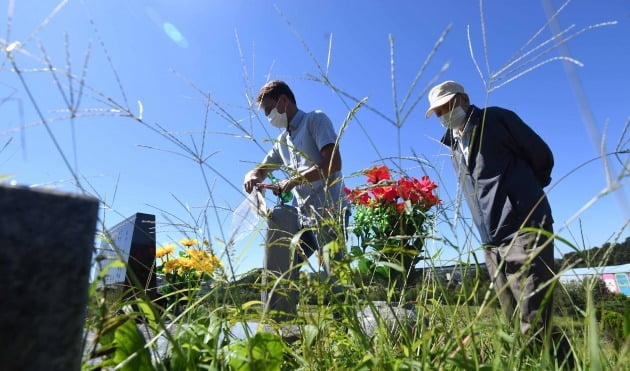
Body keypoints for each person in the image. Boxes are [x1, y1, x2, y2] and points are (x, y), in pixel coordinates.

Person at [425, 81, 558, 345]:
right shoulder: (453, 147)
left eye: (446, 106)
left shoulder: (495, 119)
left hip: (524, 228)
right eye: (438, 112)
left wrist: (522, 197)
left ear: (463, 99)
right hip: (491, 241)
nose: (443, 115)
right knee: (513, 318)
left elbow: (541, 155)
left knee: (534, 322)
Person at [243, 80, 349, 321]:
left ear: (283, 101)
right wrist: (252, 177)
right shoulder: (283, 142)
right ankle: (280, 319)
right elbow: (260, 170)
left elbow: (333, 162)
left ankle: (345, 328)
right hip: (304, 219)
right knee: (286, 264)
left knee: (334, 272)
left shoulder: (315, 120)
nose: (268, 116)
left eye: (269, 110)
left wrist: (292, 181)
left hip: (329, 211)